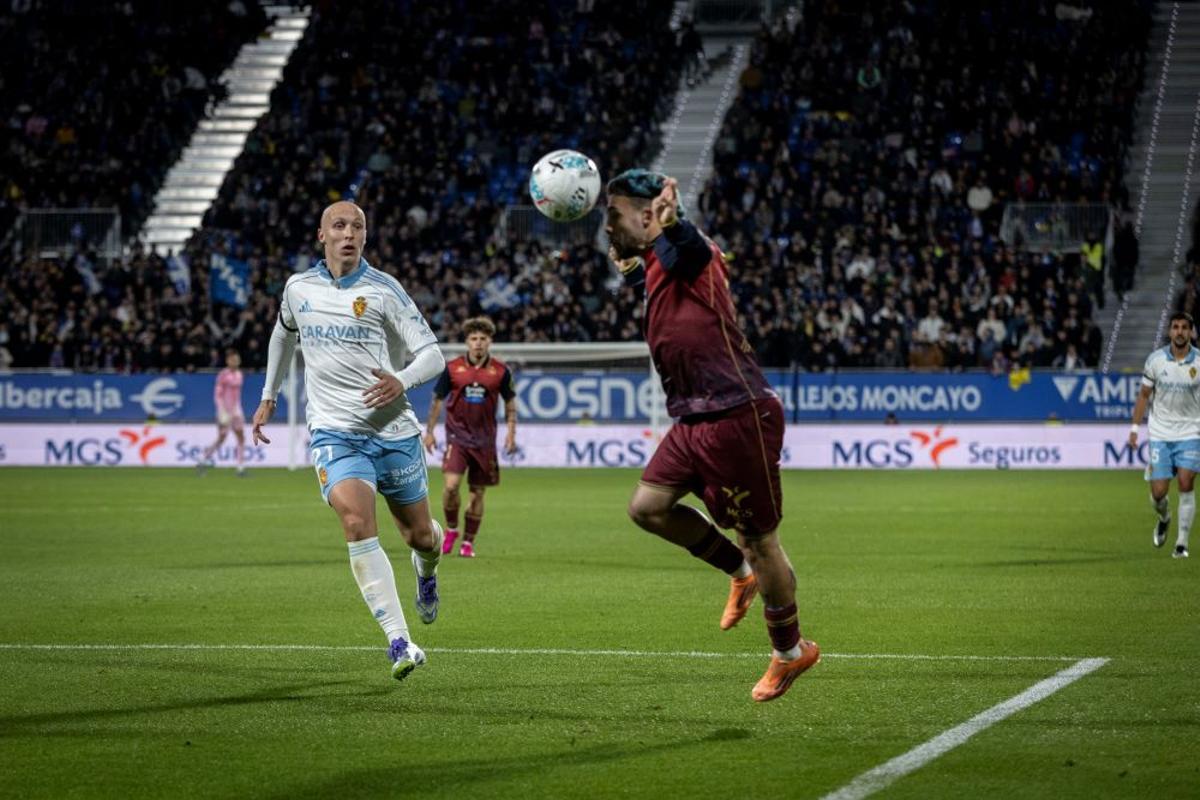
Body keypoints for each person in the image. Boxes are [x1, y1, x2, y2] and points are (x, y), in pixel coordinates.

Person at [605, 169, 819, 703]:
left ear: (649, 213)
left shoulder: (688, 245)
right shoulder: (658, 262)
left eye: (614, 215)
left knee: (761, 539)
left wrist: (671, 224)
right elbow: (666, 288)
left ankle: (790, 654)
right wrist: (634, 267)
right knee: (647, 507)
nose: (607, 227)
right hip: (693, 416)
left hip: (735, 413)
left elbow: (686, 251)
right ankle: (738, 573)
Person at [253, 200, 447, 681]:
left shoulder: (384, 290)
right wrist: (269, 396)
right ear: (322, 235)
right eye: (339, 225)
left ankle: (427, 571)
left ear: (365, 235)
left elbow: (434, 356)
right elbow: (283, 336)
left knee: (419, 536)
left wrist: (402, 380)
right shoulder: (298, 288)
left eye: (357, 226)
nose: (349, 233)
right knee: (357, 522)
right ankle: (400, 641)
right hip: (335, 433)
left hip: (392, 431)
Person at [422, 316, 517, 558]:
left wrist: (511, 434)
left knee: (477, 494)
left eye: (483, 339)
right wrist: (430, 432)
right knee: (451, 487)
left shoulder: (501, 371)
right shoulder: (452, 369)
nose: (478, 343)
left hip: (485, 442)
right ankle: (452, 528)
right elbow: (437, 402)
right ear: (466, 341)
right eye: (473, 339)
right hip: (458, 439)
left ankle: (468, 543)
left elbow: (510, 403)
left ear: (490, 342)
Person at [1130, 311, 1200, 559]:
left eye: (1184, 327)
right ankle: (1164, 517)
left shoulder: (1199, 362)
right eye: (1175, 327)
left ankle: (1181, 543)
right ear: (1170, 331)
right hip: (1161, 433)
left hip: (1191, 430)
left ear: (1191, 331)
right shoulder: (1156, 360)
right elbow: (1143, 396)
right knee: (1159, 493)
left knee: (1185, 482)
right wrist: (1134, 429)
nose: (1179, 331)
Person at [198, 349, 248, 476]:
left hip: (236, 411)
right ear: (228, 361)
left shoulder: (239, 374)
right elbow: (218, 395)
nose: (235, 362)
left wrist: (237, 410)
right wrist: (221, 410)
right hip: (224, 411)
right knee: (221, 438)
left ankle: (240, 468)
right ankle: (203, 459)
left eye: (237, 360)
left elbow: (237, 395)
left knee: (241, 437)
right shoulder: (223, 375)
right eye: (233, 360)